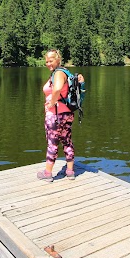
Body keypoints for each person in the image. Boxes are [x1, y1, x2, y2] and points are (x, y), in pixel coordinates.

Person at [37, 49, 84, 182]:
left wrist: (51, 103)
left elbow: (57, 89)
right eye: (46, 61)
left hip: (55, 115)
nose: (48, 63)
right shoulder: (65, 72)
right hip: (67, 114)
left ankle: (48, 173)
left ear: (58, 60)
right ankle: (70, 171)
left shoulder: (58, 73)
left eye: (51, 60)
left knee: (52, 144)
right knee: (67, 141)